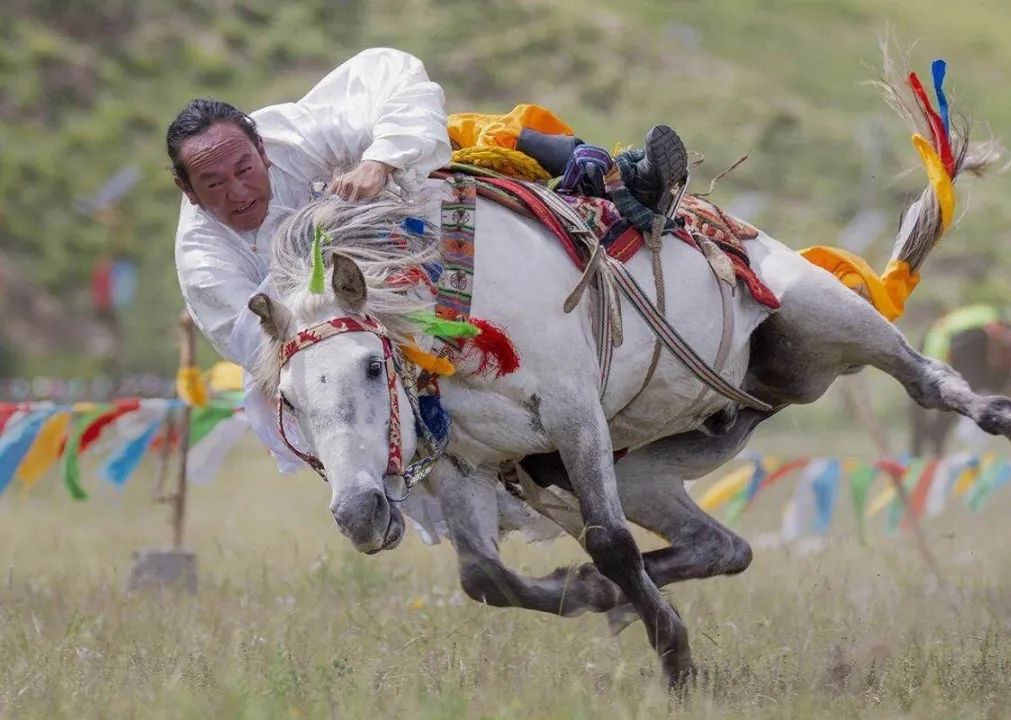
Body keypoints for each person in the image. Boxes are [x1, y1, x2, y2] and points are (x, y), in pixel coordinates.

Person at [171, 47, 687, 471]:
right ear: (188, 191)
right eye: (214, 185)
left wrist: (379, 162)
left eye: (245, 169)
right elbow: (259, 337)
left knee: (465, 133)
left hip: (393, 227)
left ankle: (622, 180)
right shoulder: (202, 260)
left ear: (262, 150)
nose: (238, 192)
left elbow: (404, 91)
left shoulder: (297, 135)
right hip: (328, 341)